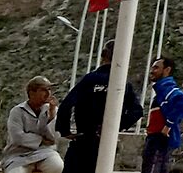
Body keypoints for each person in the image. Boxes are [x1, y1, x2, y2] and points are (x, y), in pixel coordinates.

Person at [56, 40, 143, 173]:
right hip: (108, 143)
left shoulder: (90, 79)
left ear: (103, 55)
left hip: (84, 141)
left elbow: (66, 105)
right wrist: (116, 126)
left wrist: (65, 130)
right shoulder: (123, 84)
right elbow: (137, 111)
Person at [1, 76, 61, 173]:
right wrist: (41, 140)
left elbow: (55, 138)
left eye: (49, 89)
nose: (48, 93)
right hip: (18, 155)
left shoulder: (52, 109)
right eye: (43, 90)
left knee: (58, 167)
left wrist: (52, 116)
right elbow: (18, 137)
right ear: (32, 93)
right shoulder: (17, 111)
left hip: (45, 153)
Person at [142, 57, 183, 173]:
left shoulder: (169, 91)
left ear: (167, 70)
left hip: (160, 138)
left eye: (156, 67)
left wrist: (168, 126)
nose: (152, 71)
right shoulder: (161, 91)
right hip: (155, 136)